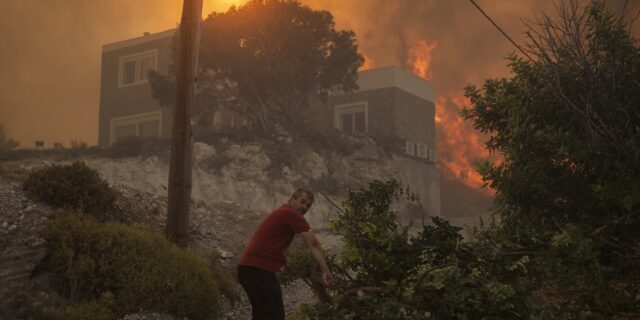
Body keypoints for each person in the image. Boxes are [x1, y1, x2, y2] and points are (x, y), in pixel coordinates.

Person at [237, 188, 332, 320]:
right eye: (302, 202)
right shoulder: (291, 214)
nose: (304, 207)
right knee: (275, 316)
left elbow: (282, 249)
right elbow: (313, 243)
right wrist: (325, 270)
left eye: (308, 205)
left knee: (261, 315)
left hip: (247, 268)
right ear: (292, 200)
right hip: (258, 269)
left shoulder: (283, 212)